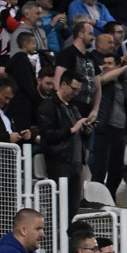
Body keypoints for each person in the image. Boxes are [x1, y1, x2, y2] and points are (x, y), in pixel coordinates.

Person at [39, 71, 90, 218]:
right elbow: (47, 135)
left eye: (78, 90)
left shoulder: (72, 106)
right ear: (63, 84)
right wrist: (71, 130)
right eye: (74, 89)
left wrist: (86, 131)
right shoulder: (48, 106)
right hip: (60, 161)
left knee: (72, 209)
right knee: (59, 208)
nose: (76, 93)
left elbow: (78, 133)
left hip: (76, 162)